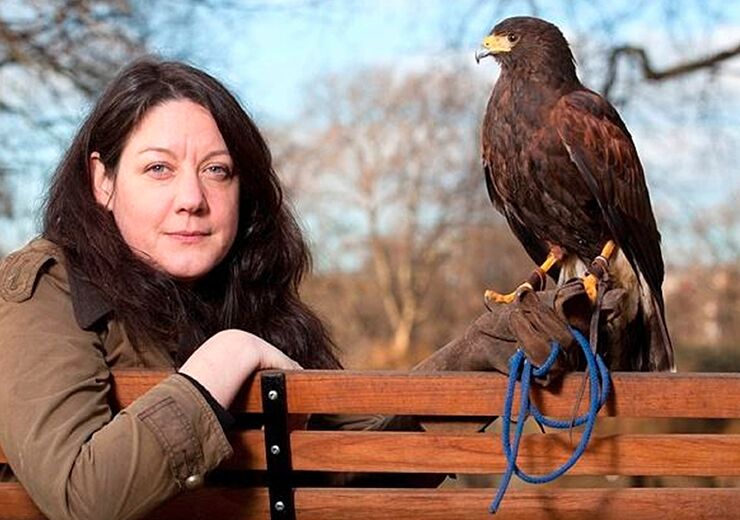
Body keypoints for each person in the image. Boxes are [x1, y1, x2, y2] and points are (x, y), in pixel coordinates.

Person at [0, 57, 617, 520]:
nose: (191, 198)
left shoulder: (259, 302)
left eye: (217, 171)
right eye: (158, 168)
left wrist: (489, 352)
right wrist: (229, 356)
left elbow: (345, 477)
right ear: (101, 180)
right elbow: (82, 492)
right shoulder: (48, 289)